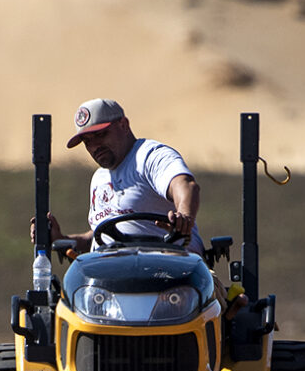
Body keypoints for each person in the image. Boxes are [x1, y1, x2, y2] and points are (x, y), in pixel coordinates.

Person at [42, 97, 204, 255]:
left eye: (101, 135)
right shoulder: (99, 178)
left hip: (170, 270)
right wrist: (60, 239)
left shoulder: (149, 156)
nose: (95, 146)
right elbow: (102, 236)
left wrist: (183, 216)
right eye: (87, 141)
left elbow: (184, 185)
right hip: (115, 276)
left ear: (124, 125)